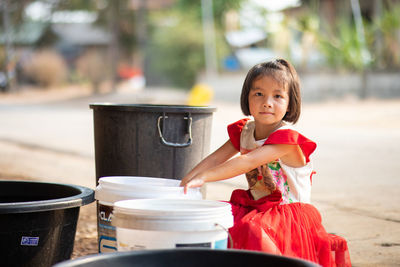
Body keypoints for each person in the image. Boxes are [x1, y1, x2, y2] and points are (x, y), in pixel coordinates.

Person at [180, 59, 351, 267]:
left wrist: (204, 178)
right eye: (259, 94)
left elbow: (247, 161)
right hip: (257, 207)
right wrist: (186, 180)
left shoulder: (287, 140)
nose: (267, 102)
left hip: (290, 216)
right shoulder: (245, 132)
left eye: (278, 96)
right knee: (217, 219)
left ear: (290, 103)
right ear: (247, 97)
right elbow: (215, 158)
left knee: (252, 229)